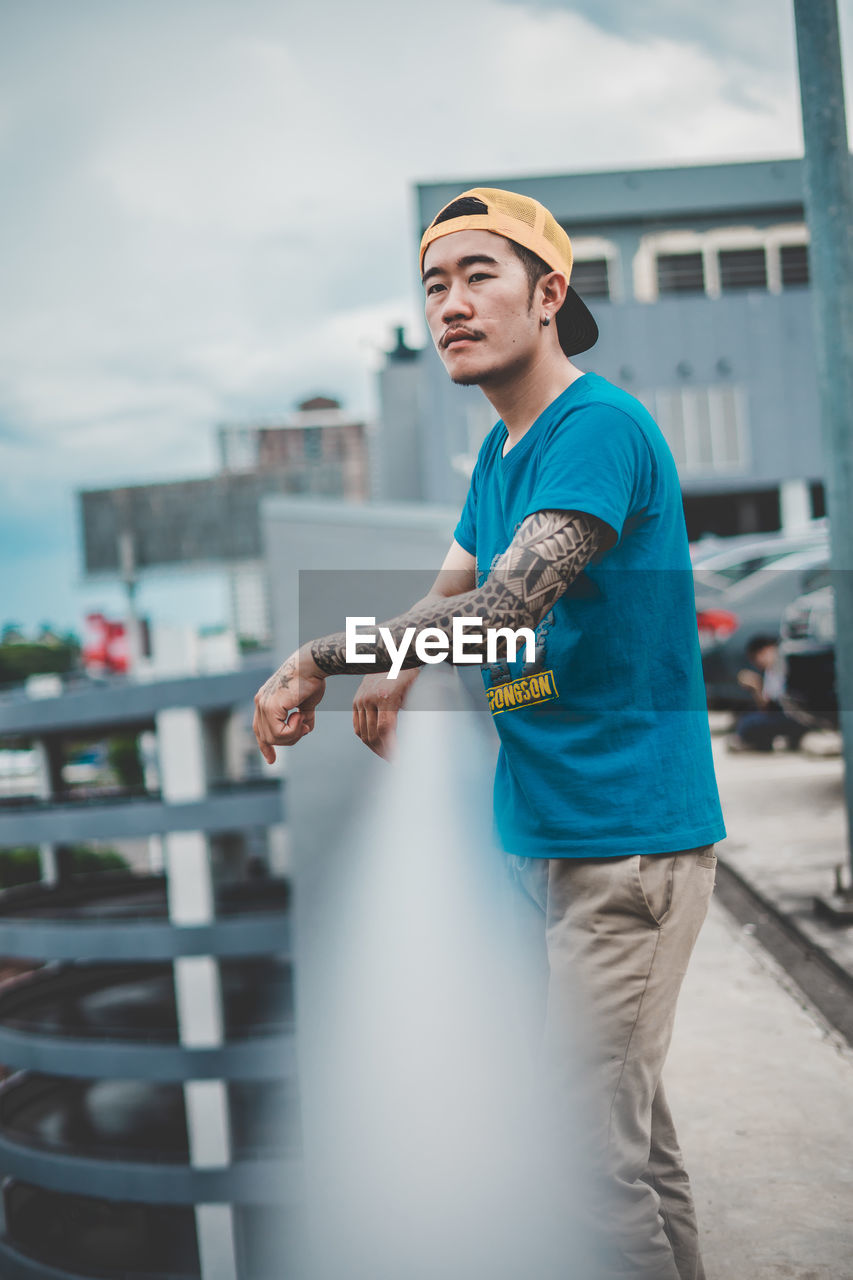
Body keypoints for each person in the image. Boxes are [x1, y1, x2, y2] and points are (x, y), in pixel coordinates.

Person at [253, 188, 726, 1280]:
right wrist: (395, 653)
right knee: (627, 1142)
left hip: (629, 845)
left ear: (548, 293)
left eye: (479, 276)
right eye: (434, 285)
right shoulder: (500, 459)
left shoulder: (594, 429)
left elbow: (506, 608)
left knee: (579, 1152)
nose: (451, 305)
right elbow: (449, 593)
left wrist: (321, 656)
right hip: (547, 836)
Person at [729, 634, 805, 752]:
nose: (758, 663)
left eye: (757, 657)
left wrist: (757, 686)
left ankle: (751, 741)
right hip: (785, 711)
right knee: (744, 715)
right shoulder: (771, 669)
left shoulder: (781, 665)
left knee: (749, 724)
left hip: (794, 715)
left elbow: (770, 706)